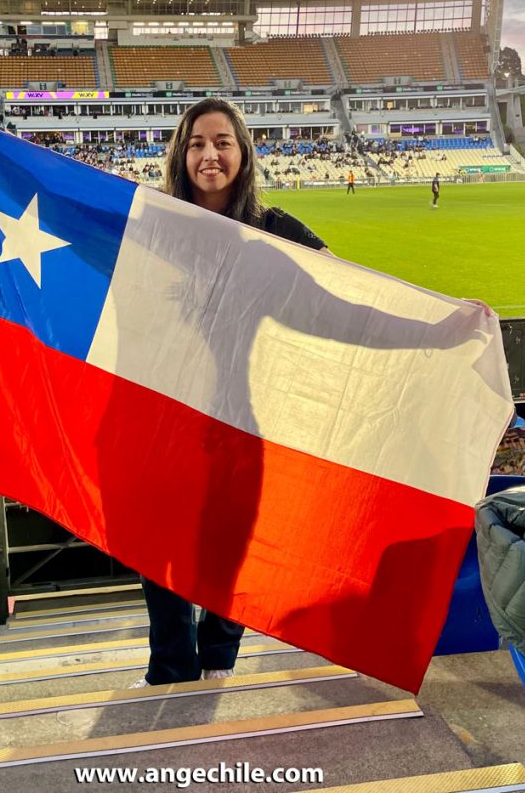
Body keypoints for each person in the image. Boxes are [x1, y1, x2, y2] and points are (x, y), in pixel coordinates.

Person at [133, 97, 329, 687]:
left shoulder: (273, 230)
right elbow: (77, 205)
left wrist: (441, 320)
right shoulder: (154, 223)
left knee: (231, 551)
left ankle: (217, 661)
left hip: (243, 418)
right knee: (158, 547)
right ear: (180, 152)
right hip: (166, 417)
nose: (209, 154)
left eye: (222, 142)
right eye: (196, 142)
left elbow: (344, 286)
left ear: (242, 153)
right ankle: (171, 666)